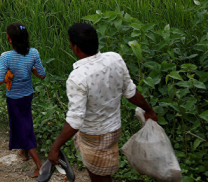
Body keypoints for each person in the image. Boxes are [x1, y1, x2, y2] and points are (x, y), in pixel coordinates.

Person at [47, 23, 158, 182]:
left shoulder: (77, 78)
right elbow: (130, 91)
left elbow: (75, 120)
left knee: (99, 175)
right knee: (101, 171)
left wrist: (55, 147)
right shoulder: (115, 59)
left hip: (94, 135)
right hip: (114, 129)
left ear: (76, 48)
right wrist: (149, 110)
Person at [0, 23, 46, 178]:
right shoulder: (33, 53)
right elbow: (42, 74)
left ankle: (40, 166)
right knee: (24, 122)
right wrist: (30, 69)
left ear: (10, 40)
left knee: (23, 128)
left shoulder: (6, 56)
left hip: (14, 98)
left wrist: (4, 72)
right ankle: (23, 152)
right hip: (27, 95)